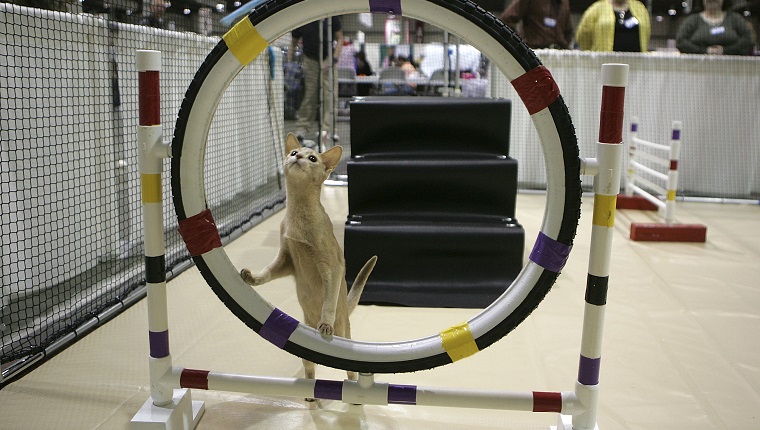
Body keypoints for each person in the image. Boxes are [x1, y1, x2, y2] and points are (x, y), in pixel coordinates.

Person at [290, 17, 342, 144]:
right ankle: (302, 128)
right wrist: (290, 62)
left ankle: (329, 129)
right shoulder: (304, 16)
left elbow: (340, 38)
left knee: (330, 95)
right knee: (310, 95)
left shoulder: (332, 16)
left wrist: (333, 59)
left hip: (328, 60)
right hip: (310, 60)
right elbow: (293, 42)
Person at [676, 0, 753, 55]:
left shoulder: (735, 19)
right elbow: (680, 41)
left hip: (733, 68)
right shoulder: (692, 20)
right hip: (698, 69)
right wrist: (705, 51)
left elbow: (748, 39)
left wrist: (726, 51)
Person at [575, 0, 651, 52]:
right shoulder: (596, 9)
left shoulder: (640, 8)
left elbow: (646, 34)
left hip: (636, 65)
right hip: (605, 64)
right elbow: (583, 37)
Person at [498, 0, 574, 49]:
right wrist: (520, 45)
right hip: (535, 55)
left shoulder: (565, 2)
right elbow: (506, 19)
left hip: (558, 57)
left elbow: (569, 32)